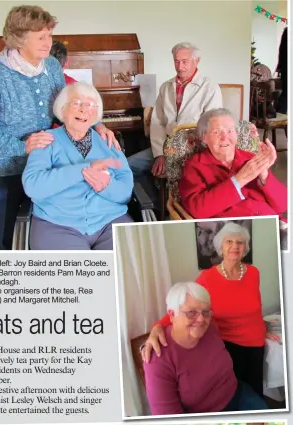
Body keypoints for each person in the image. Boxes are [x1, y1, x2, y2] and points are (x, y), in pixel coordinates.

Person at [0, 5, 118, 250]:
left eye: (49, 35)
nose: (48, 42)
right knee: (0, 238)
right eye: (41, 37)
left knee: (38, 229)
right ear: (19, 39)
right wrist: (21, 146)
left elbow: (69, 100)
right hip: (1, 170)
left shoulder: (51, 66)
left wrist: (97, 124)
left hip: (42, 164)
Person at [142, 223, 280, 398]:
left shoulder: (253, 273)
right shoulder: (208, 278)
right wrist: (157, 327)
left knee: (254, 391)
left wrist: (264, 328)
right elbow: (184, 306)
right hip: (226, 345)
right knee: (230, 394)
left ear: (245, 247)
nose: (235, 246)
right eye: (229, 241)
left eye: (240, 242)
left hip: (255, 343)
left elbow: (255, 307)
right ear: (220, 247)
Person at [22, 82, 134, 250]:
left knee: (126, 269)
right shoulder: (46, 140)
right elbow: (33, 186)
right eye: (76, 103)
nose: (84, 110)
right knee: (77, 274)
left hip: (110, 221)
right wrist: (83, 170)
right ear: (62, 109)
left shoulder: (108, 142)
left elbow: (126, 192)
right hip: (57, 225)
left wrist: (107, 186)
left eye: (90, 104)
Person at [143, 281, 268, 415]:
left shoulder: (210, 327)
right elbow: (168, 418)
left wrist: (263, 329)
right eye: (191, 312)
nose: (201, 319)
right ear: (172, 315)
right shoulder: (158, 358)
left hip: (237, 393)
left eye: (205, 311)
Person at [128, 42, 222, 180]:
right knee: (128, 166)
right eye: (176, 61)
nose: (179, 66)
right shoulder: (166, 87)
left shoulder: (210, 88)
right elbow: (157, 122)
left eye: (185, 61)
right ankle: (152, 200)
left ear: (197, 61)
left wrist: (175, 152)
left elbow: (211, 127)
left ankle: (165, 198)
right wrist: (160, 154)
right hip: (165, 147)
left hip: (193, 150)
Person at [179, 108, 287, 220]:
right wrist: (240, 179)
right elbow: (197, 210)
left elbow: (283, 205)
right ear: (204, 138)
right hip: (235, 231)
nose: (225, 138)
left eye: (230, 131)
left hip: (272, 223)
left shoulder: (250, 158)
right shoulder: (195, 166)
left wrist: (264, 175)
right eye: (216, 132)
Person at [276, 27, 287, 114]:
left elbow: (281, 51)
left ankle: (279, 114)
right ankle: (280, 114)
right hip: (286, 68)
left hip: (285, 68)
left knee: (285, 94)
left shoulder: (287, 31)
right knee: (286, 94)